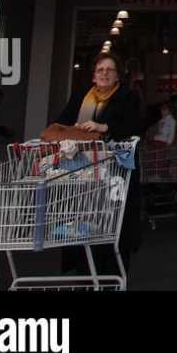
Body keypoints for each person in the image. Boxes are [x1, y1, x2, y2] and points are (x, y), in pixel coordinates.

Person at [54, 52, 143, 276]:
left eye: (110, 70)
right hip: (83, 172)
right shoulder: (81, 97)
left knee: (112, 221)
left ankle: (112, 275)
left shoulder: (127, 97)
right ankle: (85, 272)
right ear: (93, 76)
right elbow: (60, 123)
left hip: (115, 173)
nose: (104, 73)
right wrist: (70, 130)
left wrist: (103, 127)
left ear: (117, 76)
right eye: (100, 70)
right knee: (83, 218)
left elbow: (135, 124)